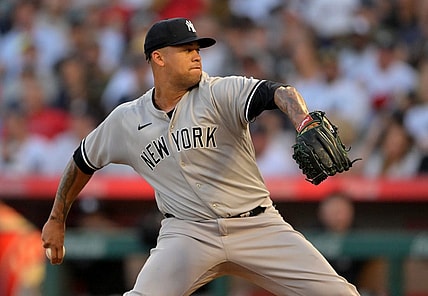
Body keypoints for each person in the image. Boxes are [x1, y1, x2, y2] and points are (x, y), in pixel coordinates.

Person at [41, 17, 360, 296]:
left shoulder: (219, 92)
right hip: (187, 233)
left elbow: (278, 92)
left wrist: (302, 120)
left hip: (257, 224)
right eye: (186, 50)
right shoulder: (126, 119)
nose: (196, 56)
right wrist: (57, 218)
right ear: (158, 58)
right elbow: (82, 161)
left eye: (197, 49)